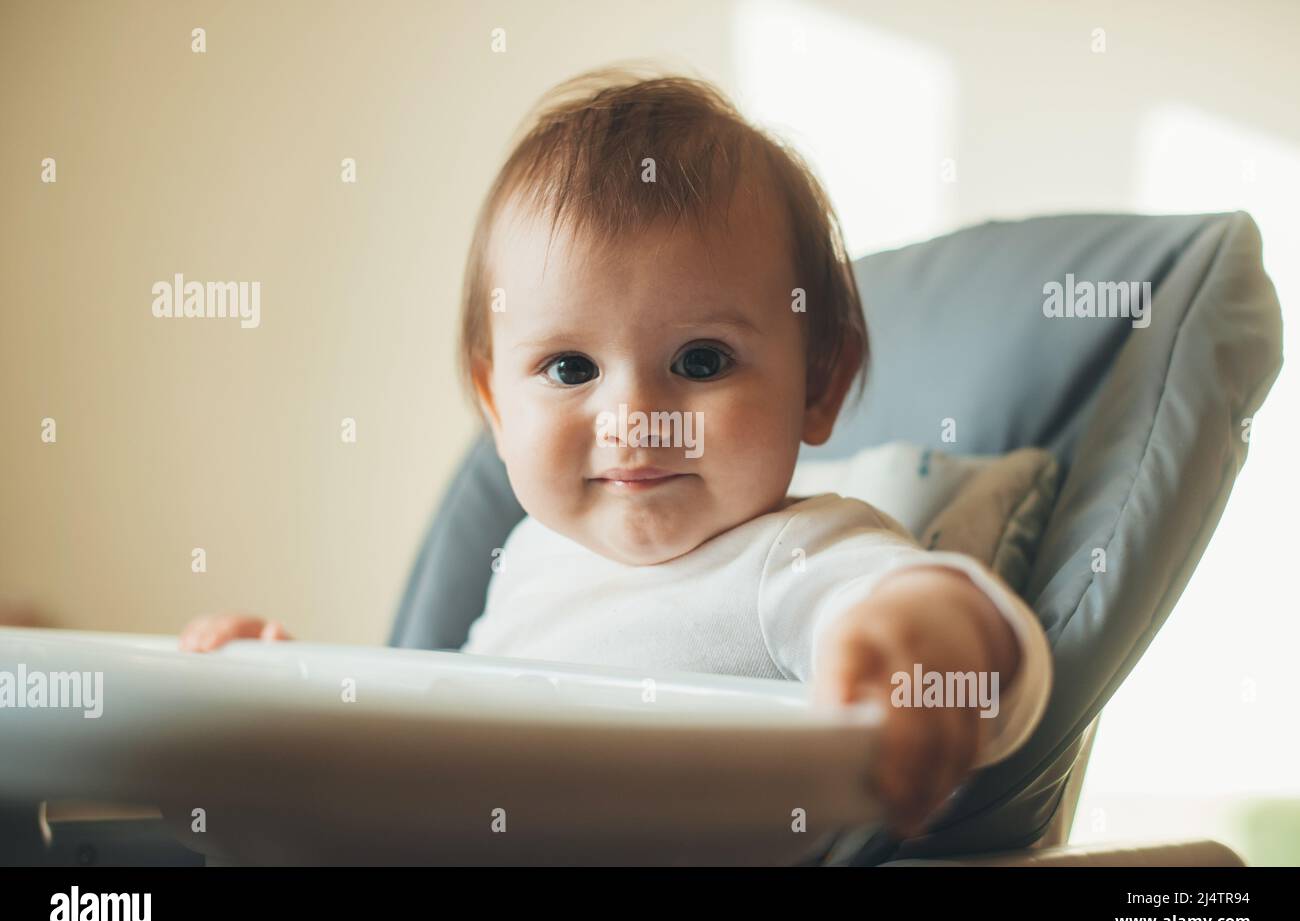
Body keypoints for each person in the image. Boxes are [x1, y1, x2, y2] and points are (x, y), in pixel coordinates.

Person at [181, 67, 1051, 841]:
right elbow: (440, 731)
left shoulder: (791, 555)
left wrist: (934, 630)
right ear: (494, 402)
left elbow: (925, 623)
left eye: (701, 361)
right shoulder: (526, 558)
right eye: (570, 367)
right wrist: (291, 690)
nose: (635, 419)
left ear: (819, 385)